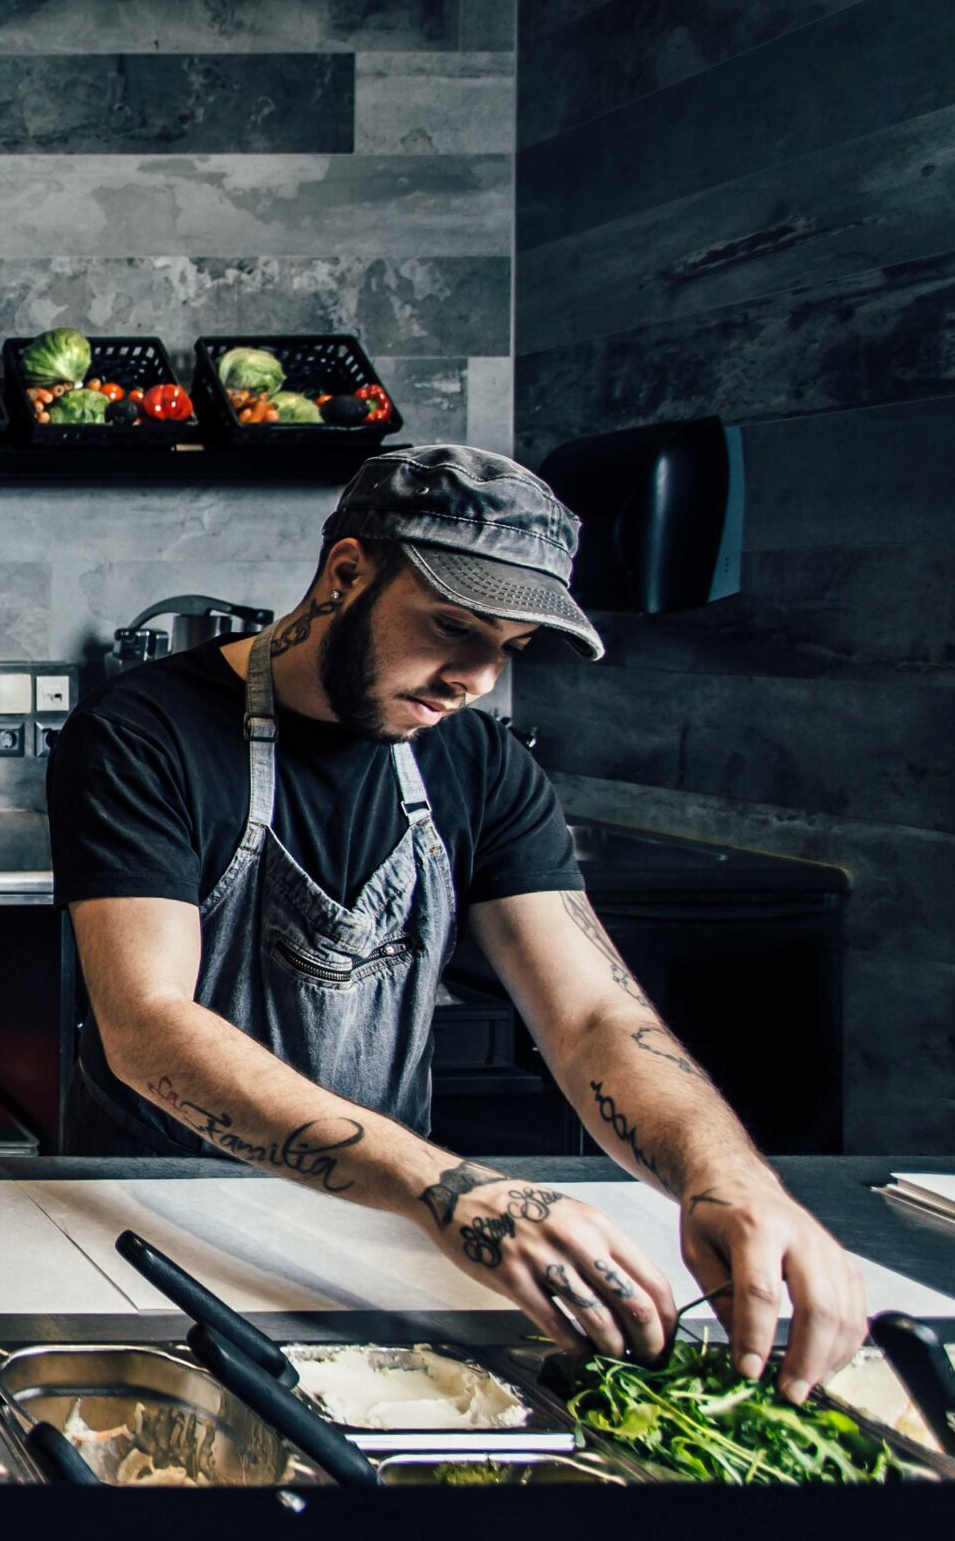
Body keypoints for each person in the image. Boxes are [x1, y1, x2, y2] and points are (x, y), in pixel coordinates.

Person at [48, 445, 866, 1400]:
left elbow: (595, 1014)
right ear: (347, 572)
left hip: (386, 1219)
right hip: (160, 1216)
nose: (474, 678)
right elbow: (150, 1028)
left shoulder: (479, 763)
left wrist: (730, 1180)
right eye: (452, 627)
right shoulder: (143, 732)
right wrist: (447, 1188)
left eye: (507, 648)